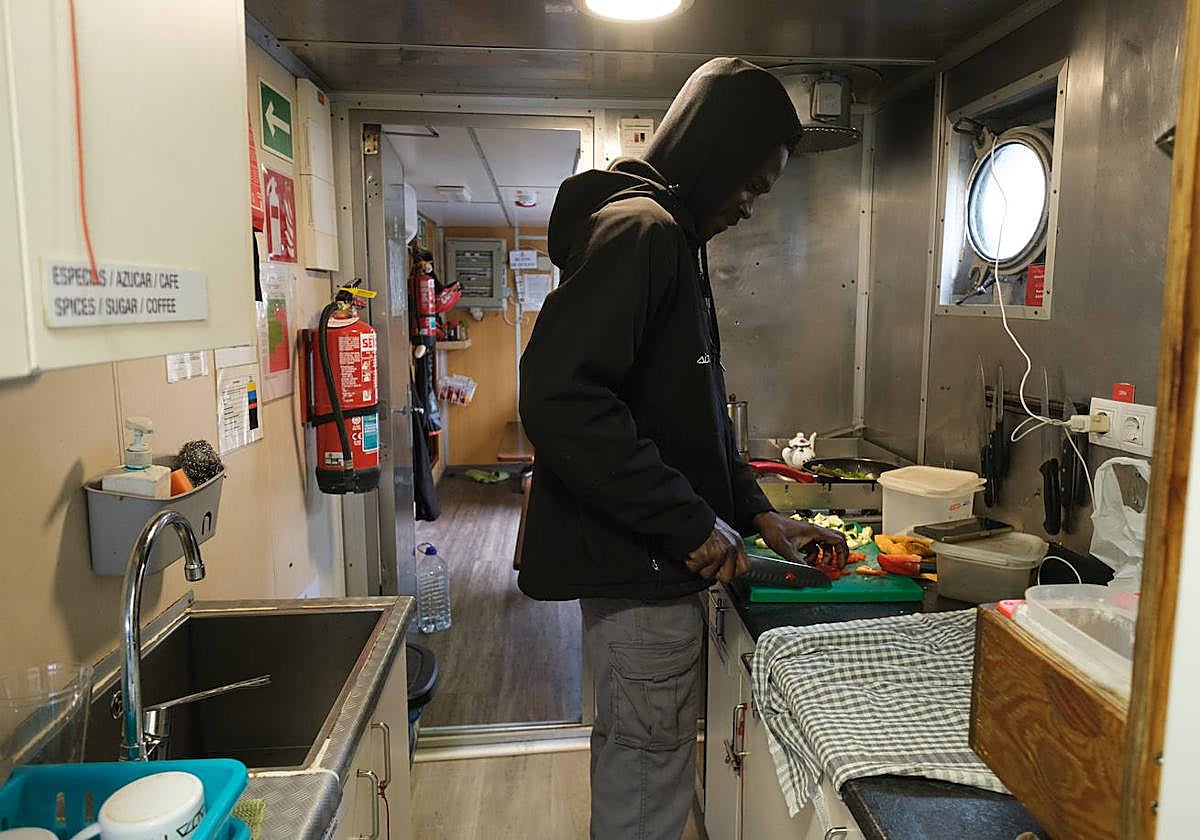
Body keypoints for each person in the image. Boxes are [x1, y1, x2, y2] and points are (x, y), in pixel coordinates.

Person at [518, 57, 849, 840]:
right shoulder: (645, 230)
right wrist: (692, 524)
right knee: (647, 781)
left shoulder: (670, 237)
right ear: (714, 151)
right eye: (750, 182)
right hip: (645, 570)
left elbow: (688, 415)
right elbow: (561, 398)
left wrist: (758, 514)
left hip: (646, 558)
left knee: (640, 759)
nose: (749, 205)